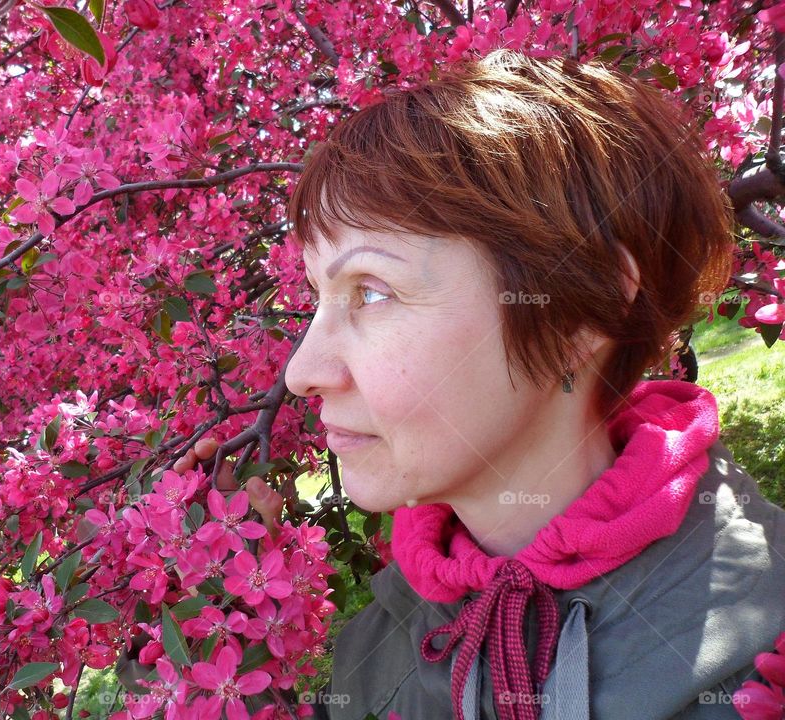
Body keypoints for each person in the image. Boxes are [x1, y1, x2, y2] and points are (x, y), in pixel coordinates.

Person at [178, 50, 785, 719]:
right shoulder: (377, 651)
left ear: (579, 313)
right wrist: (220, 605)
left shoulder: (760, 659)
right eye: (320, 295)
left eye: (372, 291)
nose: (301, 371)